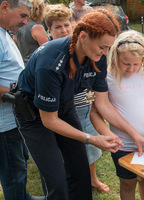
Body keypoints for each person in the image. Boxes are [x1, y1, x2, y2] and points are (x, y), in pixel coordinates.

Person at [14, 10, 125, 200]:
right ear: (83, 36)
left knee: (80, 169)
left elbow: (103, 103)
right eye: (102, 47)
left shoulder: (98, 56)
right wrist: (91, 138)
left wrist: (131, 135)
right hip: (34, 116)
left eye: (108, 47)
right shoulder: (51, 62)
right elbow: (49, 120)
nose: (105, 53)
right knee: (56, 180)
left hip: (64, 107)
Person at [91, 29, 144, 200]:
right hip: (123, 144)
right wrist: (109, 135)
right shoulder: (107, 76)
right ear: (115, 56)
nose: (131, 69)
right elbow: (95, 112)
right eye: (126, 63)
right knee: (128, 183)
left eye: (136, 64)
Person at [44, 4, 111, 193]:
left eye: (66, 25)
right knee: (67, 153)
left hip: (84, 108)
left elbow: (100, 98)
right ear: (49, 31)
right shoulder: (52, 59)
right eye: (58, 27)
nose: (64, 30)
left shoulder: (92, 55)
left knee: (89, 151)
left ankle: (92, 179)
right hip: (60, 114)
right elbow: (51, 116)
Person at [0, 0, 44, 199]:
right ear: (5, 7)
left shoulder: (4, 33)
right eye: (23, 15)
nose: (26, 22)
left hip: (14, 118)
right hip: (4, 124)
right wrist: (18, 95)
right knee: (13, 172)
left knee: (20, 163)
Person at [16, 0, 48, 65]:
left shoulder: (19, 26)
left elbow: (15, 41)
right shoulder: (37, 27)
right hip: (36, 65)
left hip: (24, 64)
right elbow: (47, 49)